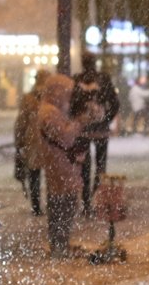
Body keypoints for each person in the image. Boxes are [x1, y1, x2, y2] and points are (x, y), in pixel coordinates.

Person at [34, 74, 104, 257]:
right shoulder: (49, 112)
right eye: (65, 92)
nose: (68, 96)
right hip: (59, 166)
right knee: (61, 206)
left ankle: (61, 243)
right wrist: (79, 122)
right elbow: (65, 137)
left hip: (64, 166)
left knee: (66, 205)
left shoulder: (53, 110)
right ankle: (59, 245)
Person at [73, 53, 121, 216]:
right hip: (100, 130)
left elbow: (71, 104)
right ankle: (97, 198)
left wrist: (77, 119)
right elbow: (115, 103)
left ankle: (87, 203)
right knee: (101, 167)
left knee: (84, 167)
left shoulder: (76, 80)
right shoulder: (103, 79)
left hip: (83, 130)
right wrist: (106, 119)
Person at [14, 69, 50, 216]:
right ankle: (52, 203)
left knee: (34, 174)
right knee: (51, 175)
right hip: (48, 140)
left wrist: (19, 140)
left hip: (32, 140)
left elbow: (21, 122)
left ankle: (36, 206)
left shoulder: (28, 98)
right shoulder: (51, 98)